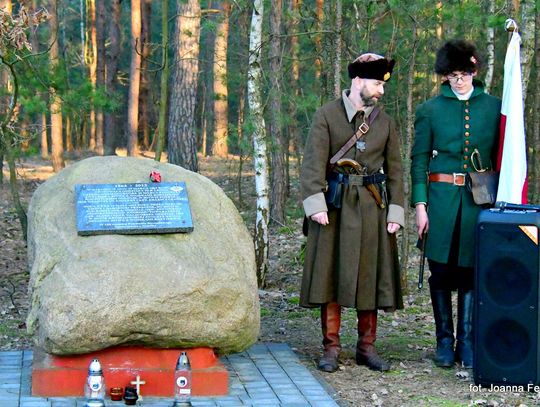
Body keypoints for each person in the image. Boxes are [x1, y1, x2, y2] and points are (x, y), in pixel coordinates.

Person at [300, 53, 405, 373]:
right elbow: (312, 165)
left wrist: (396, 212)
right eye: (376, 84)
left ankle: (366, 347)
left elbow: (396, 171)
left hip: (373, 207)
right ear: (358, 81)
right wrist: (315, 205)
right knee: (330, 275)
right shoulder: (326, 115)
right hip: (334, 207)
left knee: (370, 276)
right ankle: (331, 347)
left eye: (383, 85)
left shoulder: (385, 122)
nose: (381, 91)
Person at [411, 40, 501, 369]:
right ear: (444, 75)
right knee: (440, 271)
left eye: (463, 73)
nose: (458, 80)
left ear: (474, 72)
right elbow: (419, 160)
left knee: (470, 270)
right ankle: (444, 342)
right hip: (441, 200)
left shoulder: (495, 108)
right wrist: (420, 205)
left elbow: (503, 158)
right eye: (452, 75)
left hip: (479, 201)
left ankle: (466, 342)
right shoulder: (430, 110)